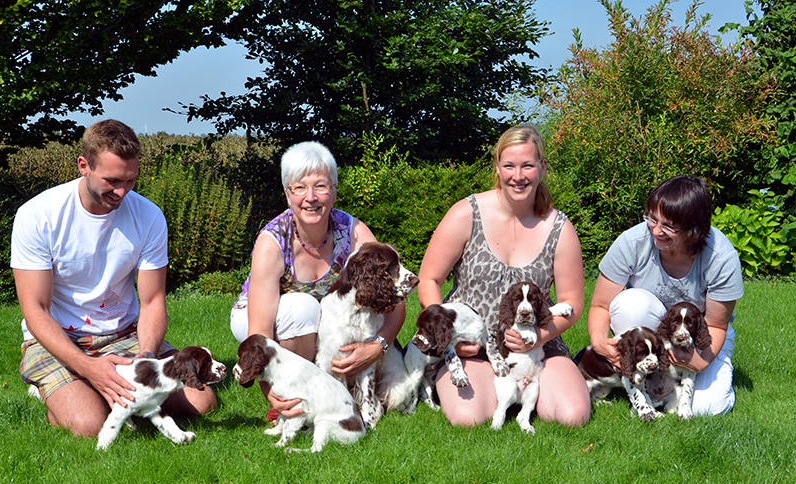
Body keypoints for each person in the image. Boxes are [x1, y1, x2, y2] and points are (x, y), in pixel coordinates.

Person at [11, 119, 217, 438]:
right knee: (88, 424)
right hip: (59, 338)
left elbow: (151, 301)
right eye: (112, 180)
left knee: (201, 402)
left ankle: (97, 390)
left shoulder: (148, 216)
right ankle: (52, 391)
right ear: (84, 165)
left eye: (130, 180)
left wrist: (146, 360)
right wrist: (89, 368)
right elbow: (35, 309)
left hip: (123, 333)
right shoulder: (38, 215)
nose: (122, 191)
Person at [417, 124, 591, 427]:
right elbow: (429, 279)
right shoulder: (466, 214)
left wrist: (539, 336)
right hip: (471, 345)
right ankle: (497, 391)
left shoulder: (559, 228)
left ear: (542, 167)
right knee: (468, 418)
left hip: (538, 345)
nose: (518, 176)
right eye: (509, 165)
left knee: (571, 416)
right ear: (497, 168)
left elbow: (572, 302)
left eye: (527, 165)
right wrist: (447, 338)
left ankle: (527, 390)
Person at [230, 141, 406, 420]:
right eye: (299, 187)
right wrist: (270, 392)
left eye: (321, 186)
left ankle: (334, 393)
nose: (310, 197)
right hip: (261, 317)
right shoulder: (271, 242)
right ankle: (295, 395)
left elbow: (394, 299)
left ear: (334, 192)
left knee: (319, 315)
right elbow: (259, 332)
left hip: (319, 318)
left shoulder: (355, 233)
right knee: (304, 310)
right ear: (288, 195)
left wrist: (377, 346)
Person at [586, 175, 743, 416]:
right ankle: (639, 385)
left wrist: (702, 363)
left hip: (699, 334)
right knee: (630, 304)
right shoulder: (632, 241)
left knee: (707, 408)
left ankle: (715, 379)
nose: (656, 231)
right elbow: (600, 305)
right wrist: (598, 343)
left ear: (694, 228)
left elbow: (716, 324)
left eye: (669, 226)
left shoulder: (721, 257)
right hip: (649, 322)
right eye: (651, 218)